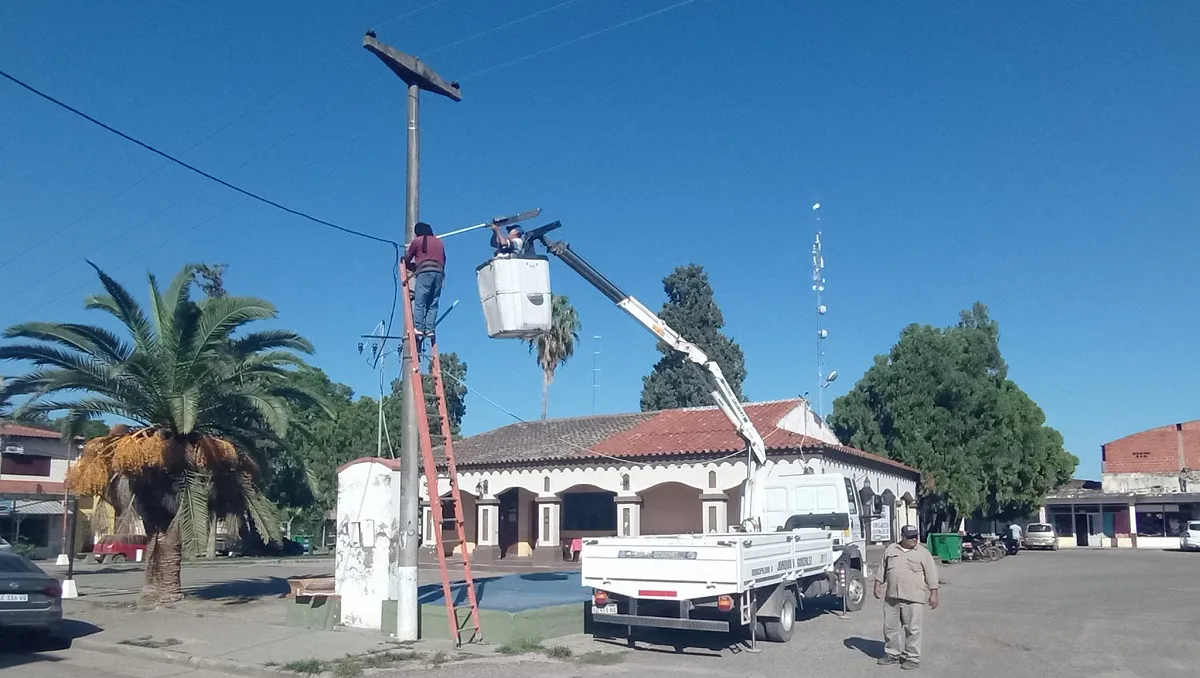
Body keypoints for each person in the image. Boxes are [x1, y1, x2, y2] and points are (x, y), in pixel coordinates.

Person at [873, 525, 939, 670]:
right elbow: (882, 568)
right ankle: (892, 654)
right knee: (890, 627)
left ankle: (912, 657)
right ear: (902, 537)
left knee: (913, 629)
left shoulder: (923, 553)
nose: (914, 539)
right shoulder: (891, 549)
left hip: (913, 597)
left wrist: (934, 594)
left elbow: (932, 575)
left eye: (916, 536)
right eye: (910, 537)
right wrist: (877, 585)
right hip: (892, 596)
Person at [403, 222, 445, 347]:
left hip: (425, 272)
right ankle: (430, 329)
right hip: (438, 273)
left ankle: (420, 328)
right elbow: (443, 259)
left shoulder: (417, 241)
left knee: (420, 301)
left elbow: (408, 258)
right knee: (433, 302)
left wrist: (403, 260)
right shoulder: (439, 242)